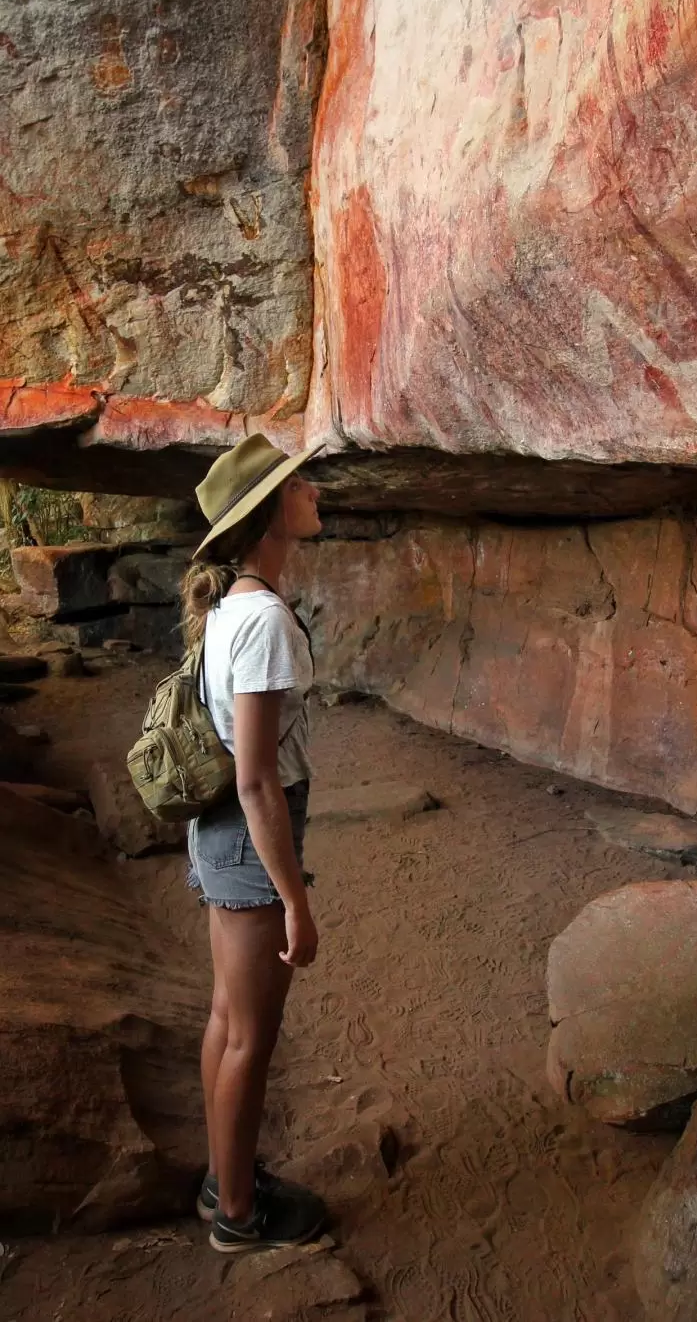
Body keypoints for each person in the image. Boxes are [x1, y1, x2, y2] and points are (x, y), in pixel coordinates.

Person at [180, 433, 326, 1253]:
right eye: (295, 483)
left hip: (225, 836)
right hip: (250, 838)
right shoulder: (263, 619)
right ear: (270, 513)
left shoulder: (235, 606)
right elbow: (259, 780)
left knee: (225, 1020)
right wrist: (296, 903)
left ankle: (222, 1178)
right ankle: (238, 1216)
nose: (310, 489)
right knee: (250, 1035)